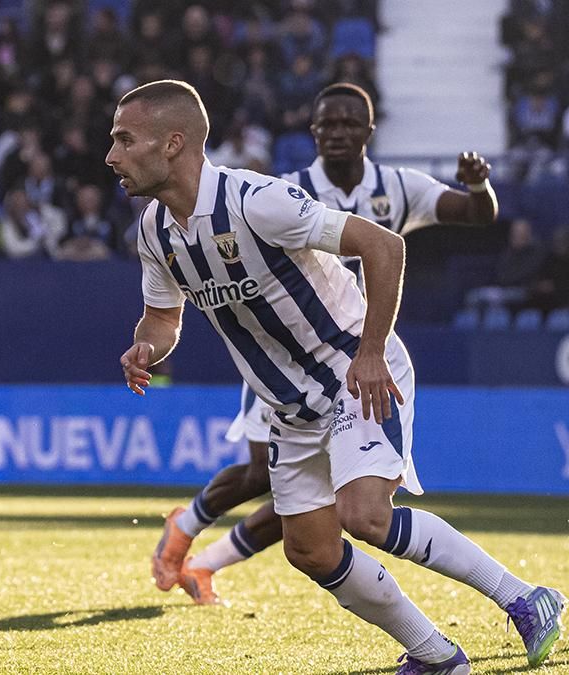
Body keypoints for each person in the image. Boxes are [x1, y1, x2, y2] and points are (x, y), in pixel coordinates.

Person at [111, 80, 562, 672]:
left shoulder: (256, 200)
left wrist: (372, 350)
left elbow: (385, 247)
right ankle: (435, 655)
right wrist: (148, 345)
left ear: (173, 143)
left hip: (354, 371)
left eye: (124, 139)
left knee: (365, 515)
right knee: (311, 550)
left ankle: (527, 600)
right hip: (288, 406)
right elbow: (163, 316)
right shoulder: (153, 230)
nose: (111, 155)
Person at [152, 83, 501, 606]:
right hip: (281, 355)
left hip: (356, 351)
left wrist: (478, 189)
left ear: (369, 131)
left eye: (348, 124)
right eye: (326, 125)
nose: (337, 133)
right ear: (312, 131)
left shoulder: (397, 187)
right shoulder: (282, 189)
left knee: (338, 507)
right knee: (264, 478)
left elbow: (476, 215)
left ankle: (202, 560)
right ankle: (190, 531)